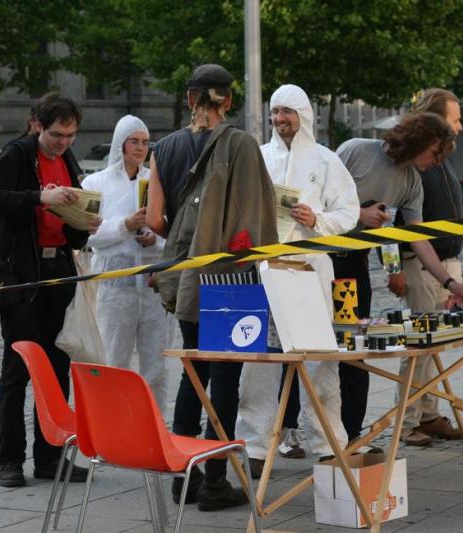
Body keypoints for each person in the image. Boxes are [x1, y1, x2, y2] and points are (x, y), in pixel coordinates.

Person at [146, 64, 277, 511]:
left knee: (193, 375)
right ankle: (215, 483)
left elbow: (153, 221)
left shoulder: (162, 149)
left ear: (189, 99)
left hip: (186, 279)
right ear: (227, 101)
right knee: (224, 379)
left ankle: (185, 478)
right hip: (233, 279)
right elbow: (257, 216)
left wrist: (189, 240)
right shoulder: (241, 144)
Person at [236, 84, 358, 475]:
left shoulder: (325, 161)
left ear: (303, 115)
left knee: (319, 358)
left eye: (287, 112)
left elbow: (349, 212)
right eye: (275, 112)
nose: (280, 120)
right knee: (260, 361)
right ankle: (255, 445)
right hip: (266, 270)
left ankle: (326, 441)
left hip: (309, 270)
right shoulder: (259, 158)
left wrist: (316, 220)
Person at [0, 94, 100, 487]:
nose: (63, 141)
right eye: (56, 134)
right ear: (37, 126)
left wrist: (85, 222)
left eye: (70, 135)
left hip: (57, 269)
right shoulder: (18, 154)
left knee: (56, 366)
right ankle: (10, 460)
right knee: (18, 369)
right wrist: (39, 197)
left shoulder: (67, 159)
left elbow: (73, 231)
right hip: (21, 276)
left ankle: (51, 458)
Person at [332, 112, 463, 446]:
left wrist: (450, 284)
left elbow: (416, 238)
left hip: (353, 267)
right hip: (320, 263)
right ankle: (293, 426)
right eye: (436, 153)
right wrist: (358, 215)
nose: (436, 163)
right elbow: (319, 202)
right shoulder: (355, 151)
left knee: (353, 350)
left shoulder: (411, 182)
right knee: (309, 349)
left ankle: (350, 436)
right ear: (419, 139)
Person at [80, 114, 173, 409]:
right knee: (113, 361)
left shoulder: (156, 182)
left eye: (146, 142)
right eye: (134, 141)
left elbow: (172, 229)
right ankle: (112, 430)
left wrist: (155, 237)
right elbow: (88, 235)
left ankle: (155, 428)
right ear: (121, 143)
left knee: (156, 365)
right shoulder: (96, 183)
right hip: (113, 289)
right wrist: (125, 225)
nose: (140, 148)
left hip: (152, 287)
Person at [393, 88, 463, 447]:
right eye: (456, 119)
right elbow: (395, 217)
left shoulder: (441, 155)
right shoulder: (415, 159)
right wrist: (393, 265)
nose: (461, 126)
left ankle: (428, 413)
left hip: (445, 263)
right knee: (419, 344)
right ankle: (406, 423)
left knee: (434, 346)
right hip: (420, 264)